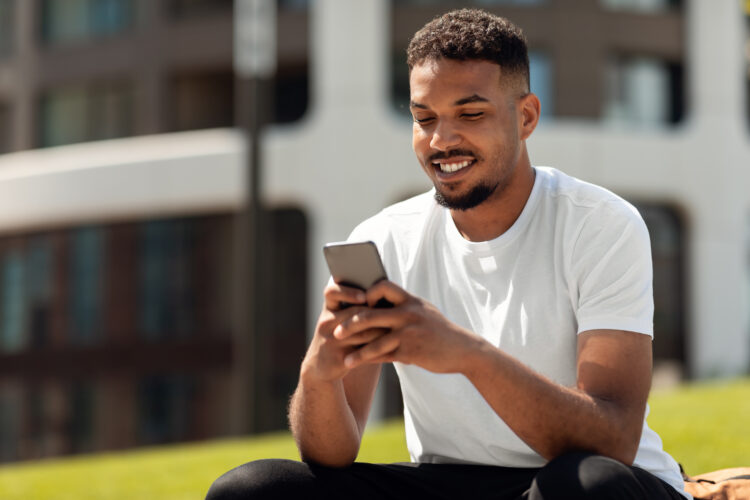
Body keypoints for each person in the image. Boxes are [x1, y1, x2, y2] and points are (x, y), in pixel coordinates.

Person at [207, 9, 689, 500]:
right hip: (451, 480)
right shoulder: (386, 236)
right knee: (252, 489)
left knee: (585, 485)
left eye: (470, 114)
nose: (441, 141)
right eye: (424, 119)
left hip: (584, 479)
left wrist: (466, 355)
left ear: (525, 117)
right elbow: (331, 455)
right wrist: (320, 373)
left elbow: (614, 439)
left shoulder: (599, 223)